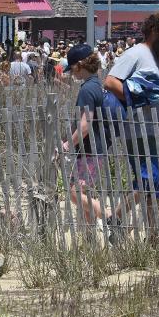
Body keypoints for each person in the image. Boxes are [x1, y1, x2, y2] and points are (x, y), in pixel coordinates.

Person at [104, 13, 159, 233]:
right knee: (151, 182)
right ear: (154, 32)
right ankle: (116, 216)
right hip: (139, 130)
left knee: (158, 186)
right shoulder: (136, 53)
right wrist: (137, 99)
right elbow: (110, 82)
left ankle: (154, 235)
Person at [61, 44, 112, 228]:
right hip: (96, 148)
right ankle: (89, 241)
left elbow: (85, 125)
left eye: (72, 68)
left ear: (79, 65)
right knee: (85, 194)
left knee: (74, 192)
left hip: (90, 149)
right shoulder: (98, 84)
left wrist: (67, 145)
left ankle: (111, 217)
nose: (72, 73)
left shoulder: (87, 89)